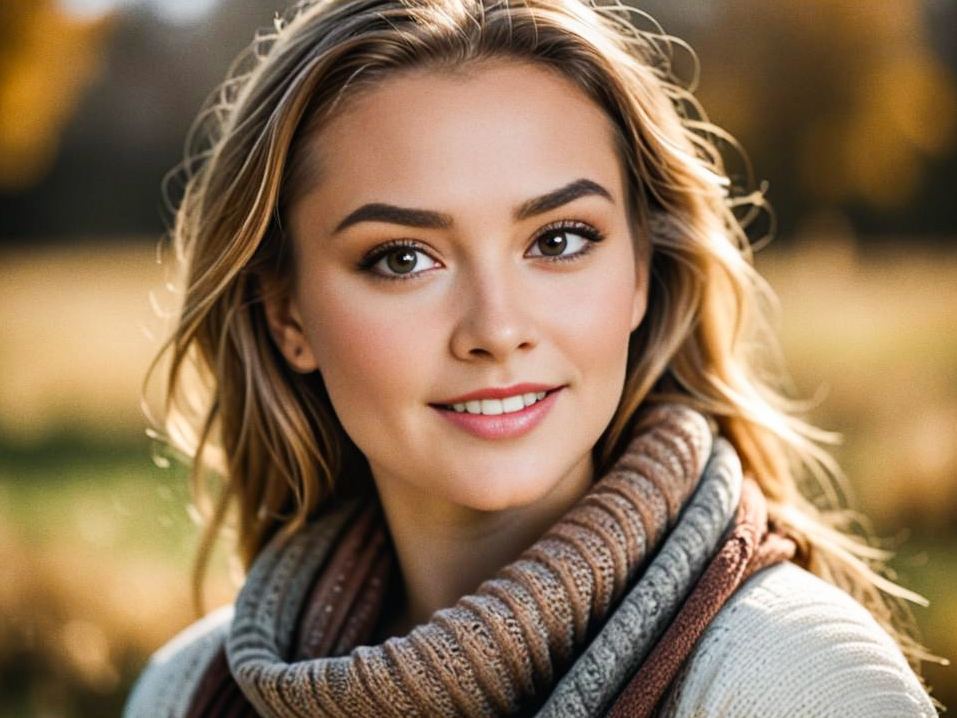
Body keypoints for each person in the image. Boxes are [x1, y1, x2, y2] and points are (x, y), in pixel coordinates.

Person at [124, 0, 939, 716]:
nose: (496, 328)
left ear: (639, 279)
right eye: (403, 257)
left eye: (558, 240)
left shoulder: (795, 683)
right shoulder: (181, 693)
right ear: (287, 315)